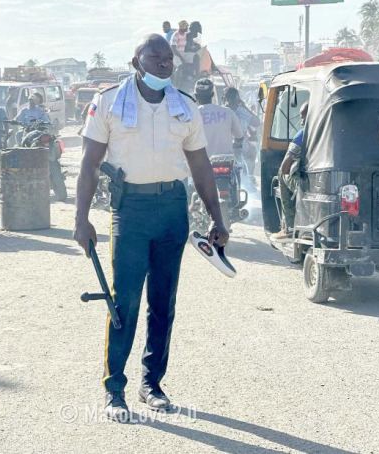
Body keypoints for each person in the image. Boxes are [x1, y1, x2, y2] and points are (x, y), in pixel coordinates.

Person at [74, 34, 229, 422]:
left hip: (172, 210)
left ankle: (152, 384)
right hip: (131, 211)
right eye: (154, 56)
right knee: (123, 301)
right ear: (136, 60)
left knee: (163, 303)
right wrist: (81, 219)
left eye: (168, 58)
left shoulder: (185, 108)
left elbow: (201, 167)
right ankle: (114, 390)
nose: (163, 63)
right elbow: (89, 164)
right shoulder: (109, 102)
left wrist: (217, 217)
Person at [272, 102, 308, 241]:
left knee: (281, 174)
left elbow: (285, 166)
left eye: (303, 117)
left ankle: (288, 227)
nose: (301, 121)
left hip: (305, 183)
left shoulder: (302, 134)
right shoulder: (328, 130)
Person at [194, 78, 244, 157]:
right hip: (226, 162)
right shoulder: (228, 112)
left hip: (202, 164)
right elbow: (239, 136)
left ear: (196, 96)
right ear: (213, 94)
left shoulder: (192, 115)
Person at [224, 87, 260, 176]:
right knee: (252, 151)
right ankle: (250, 177)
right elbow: (256, 122)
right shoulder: (241, 110)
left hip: (224, 145)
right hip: (239, 144)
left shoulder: (222, 111)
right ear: (237, 98)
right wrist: (245, 107)